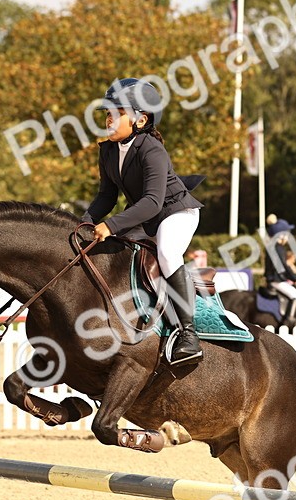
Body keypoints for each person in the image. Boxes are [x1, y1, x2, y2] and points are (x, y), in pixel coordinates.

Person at [83, 77, 205, 365]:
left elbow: (152, 202)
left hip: (176, 212)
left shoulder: (152, 149)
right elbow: (106, 197)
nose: (109, 118)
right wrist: (84, 223)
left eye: (117, 112)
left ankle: (189, 335)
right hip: (145, 214)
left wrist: (111, 225)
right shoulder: (108, 151)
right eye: (107, 113)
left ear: (140, 119)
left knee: (166, 251)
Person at [264, 215, 296, 327]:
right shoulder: (277, 248)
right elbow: (284, 267)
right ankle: (288, 322)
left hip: (276, 278)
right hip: (276, 280)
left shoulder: (274, 246)